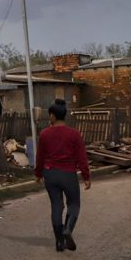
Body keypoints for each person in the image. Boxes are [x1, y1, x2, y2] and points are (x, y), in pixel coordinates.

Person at [35, 99, 91, 252]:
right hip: (68, 174)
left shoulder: (44, 134)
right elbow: (82, 157)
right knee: (74, 204)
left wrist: (38, 174)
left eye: (49, 116)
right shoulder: (74, 134)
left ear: (52, 116)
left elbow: (40, 156)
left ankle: (59, 242)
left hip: (50, 174)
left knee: (56, 205)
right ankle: (67, 229)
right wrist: (86, 176)